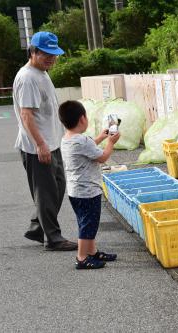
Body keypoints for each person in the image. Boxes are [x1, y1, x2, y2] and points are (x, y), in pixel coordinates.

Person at [13, 31, 77, 250]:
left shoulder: (42, 72)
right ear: (33, 52)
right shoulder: (28, 78)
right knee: (47, 192)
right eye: (46, 54)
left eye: (54, 54)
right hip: (37, 146)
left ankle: (37, 227)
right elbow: (26, 115)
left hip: (52, 142)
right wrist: (40, 144)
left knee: (58, 187)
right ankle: (53, 238)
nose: (51, 58)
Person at [59, 100, 120, 269]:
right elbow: (102, 157)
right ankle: (82, 257)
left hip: (75, 191)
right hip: (88, 191)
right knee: (88, 225)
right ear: (82, 119)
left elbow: (88, 146)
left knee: (86, 222)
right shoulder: (83, 141)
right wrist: (110, 143)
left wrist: (101, 136)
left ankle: (92, 252)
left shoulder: (68, 139)